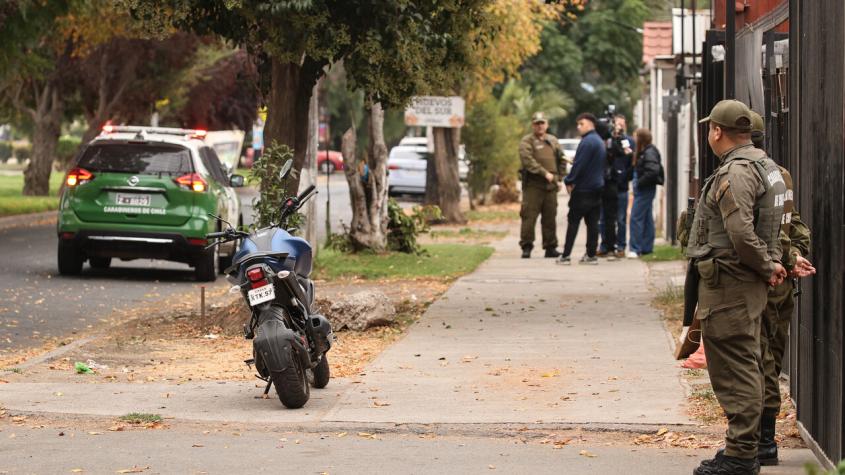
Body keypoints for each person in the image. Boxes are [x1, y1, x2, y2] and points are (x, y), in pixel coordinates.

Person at [688, 100, 787, 475]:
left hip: (731, 282)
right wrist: (773, 262)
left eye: (710, 128)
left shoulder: (738, 172)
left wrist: (766, 263)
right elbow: (772, 225)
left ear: (717, 131)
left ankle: (741, 455)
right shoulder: (766, 166)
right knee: (746, 361)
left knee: (735, 366)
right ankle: (740, 448)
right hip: (744, 280)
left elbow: (742, 232)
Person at [749, 110, 815, 466]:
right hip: (783, 279)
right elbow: (797, 225)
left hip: (761, 279)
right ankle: (764, 437)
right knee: (770, 358)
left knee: (760, 359)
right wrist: (796, 255)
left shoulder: (748, 176)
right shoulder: (781, 175)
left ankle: (761, 440)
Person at [557, 113, 605, 265]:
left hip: (583, 189)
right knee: (592, 223)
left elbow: (579, 165)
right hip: (597, 187)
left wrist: (569, 180)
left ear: (591, 124)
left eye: (581, 124)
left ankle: (565, 255)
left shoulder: (587, 142)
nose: (578, 127)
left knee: (573, 222)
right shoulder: (598, 141)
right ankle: (591, 255)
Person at [518, 112, 564, 258]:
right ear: (533, 125)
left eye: (542, 123)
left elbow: (561, 158)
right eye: (537, 123)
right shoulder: (527, 141)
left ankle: (550, 247)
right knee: (529, 216)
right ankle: (527, 246)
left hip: (550, 187)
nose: (540, 126)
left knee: (550, 217)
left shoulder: (553, 140)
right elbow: (528, 161)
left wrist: (560, 178)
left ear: (547, 124)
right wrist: (544, 173)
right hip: (533, 185)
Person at [598, 114, 635, 259]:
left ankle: (620, 246)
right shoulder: (605, 142)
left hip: (621, 186)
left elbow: (631, 160)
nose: (618, 127)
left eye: (621, 124)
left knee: (620, 218)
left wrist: (625, 176)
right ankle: (605, 245)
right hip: (606, 185)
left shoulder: (628, 141)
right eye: (616, 124)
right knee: (604, 218)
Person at [628, 128, 662, 257]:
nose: (634, 139)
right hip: (646, 188)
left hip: (644, 189)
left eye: (636, 137)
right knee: (647, 218)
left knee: (635, 217)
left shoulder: (649, 152)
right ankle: (646, 247)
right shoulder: (647, 151)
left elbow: (652, 171)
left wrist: (639, 182)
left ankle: (635, 248)